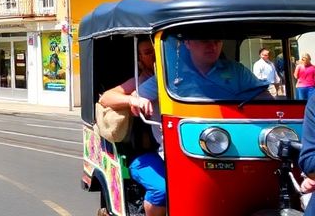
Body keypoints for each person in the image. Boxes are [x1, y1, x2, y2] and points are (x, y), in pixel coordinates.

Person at [136, 38, 271, 216]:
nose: (212, 45)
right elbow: (129, 96)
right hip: (182, 152)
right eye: (203, 40)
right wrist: (136, 99)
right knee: (165, 191)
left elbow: (266, 100)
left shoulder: (235, 70)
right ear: (188, 43)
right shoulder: (170, 75)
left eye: (217, 40)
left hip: (236, 146)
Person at [97, 39, 162, 216]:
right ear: (140, 60)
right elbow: (106, 98)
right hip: (144, 151)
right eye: (149, 52)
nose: (156, 55)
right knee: (162, 189)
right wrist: (133, 99)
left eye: (159, 49)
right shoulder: (140, 81)